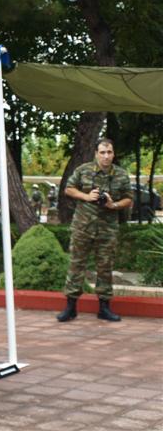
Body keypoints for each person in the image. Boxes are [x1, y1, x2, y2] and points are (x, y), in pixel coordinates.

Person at [57, 138, 133, 323]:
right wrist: (86, 196)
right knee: (76, 265)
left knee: (105, 268)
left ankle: (104, 308)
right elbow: (68, 188)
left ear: (113, 154)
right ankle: (71, 307)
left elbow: (129, 198)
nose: (106, 156)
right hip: (83, 227)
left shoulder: (121, 175)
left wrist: (113, 204)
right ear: (96, 153)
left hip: (108, 229)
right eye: (102, 152)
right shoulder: (83, 170)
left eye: (109, 152)